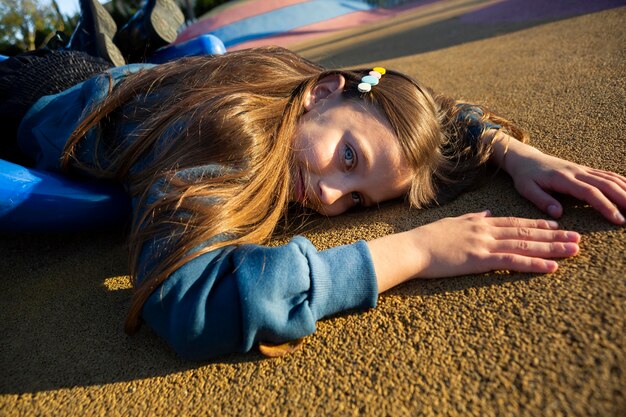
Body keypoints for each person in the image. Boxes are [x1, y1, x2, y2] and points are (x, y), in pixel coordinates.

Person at [1, 3, 624, 361]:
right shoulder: (234, 135)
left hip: (156, 88)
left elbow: (417, 114)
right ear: (324, 92)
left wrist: (510, 151)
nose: (329, 194)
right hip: (47, 96)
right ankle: (113, 44)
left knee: (148, 62)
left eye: (356, 199)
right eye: (345, 158)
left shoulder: (314, 94)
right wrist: (414, 250)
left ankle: (135, 41)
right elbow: (188, 301)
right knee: (66, 66)